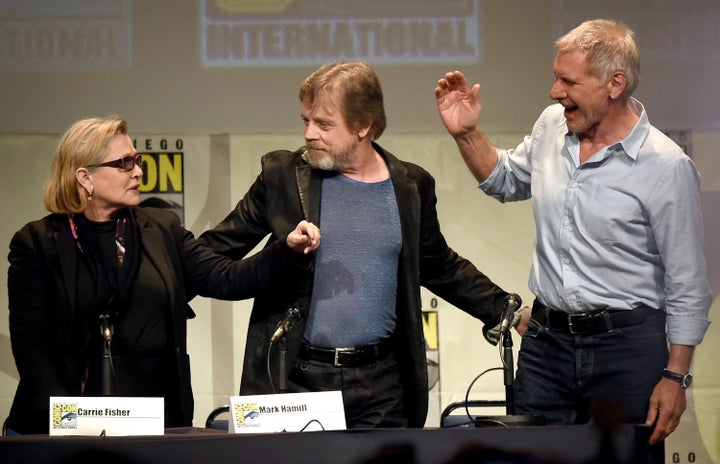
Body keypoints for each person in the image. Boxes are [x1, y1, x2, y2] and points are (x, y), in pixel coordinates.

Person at [434, 19, 712, 444]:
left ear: (614, 83)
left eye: (568, 81)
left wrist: (676, 376)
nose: (554, 92)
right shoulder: (552, 125)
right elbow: (505, 180)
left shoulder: (666, 166)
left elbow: (688, 284)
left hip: (627, 351)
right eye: (554, 78)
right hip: (547, 346)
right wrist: (467, 134)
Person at [199, 60, 515, 428]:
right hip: (296, 382)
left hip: (382, 388)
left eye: (324, 124)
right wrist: (280, 256)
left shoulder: (411, 186)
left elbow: (437, 264)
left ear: (364, 125)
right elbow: (208, 259)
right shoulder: (282, 178)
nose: (309, 134)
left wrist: (503, 309)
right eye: (306, 120)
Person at [6, 115, 320, 435]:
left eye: (137, 160)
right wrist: (66, 420)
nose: (139, 171)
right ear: (85, 177)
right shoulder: (37, 244)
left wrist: (287, 250)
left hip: (151, 421)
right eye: (125, 163)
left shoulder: (161, 228)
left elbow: (226, 276)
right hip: (63, 422)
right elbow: (31, 347)